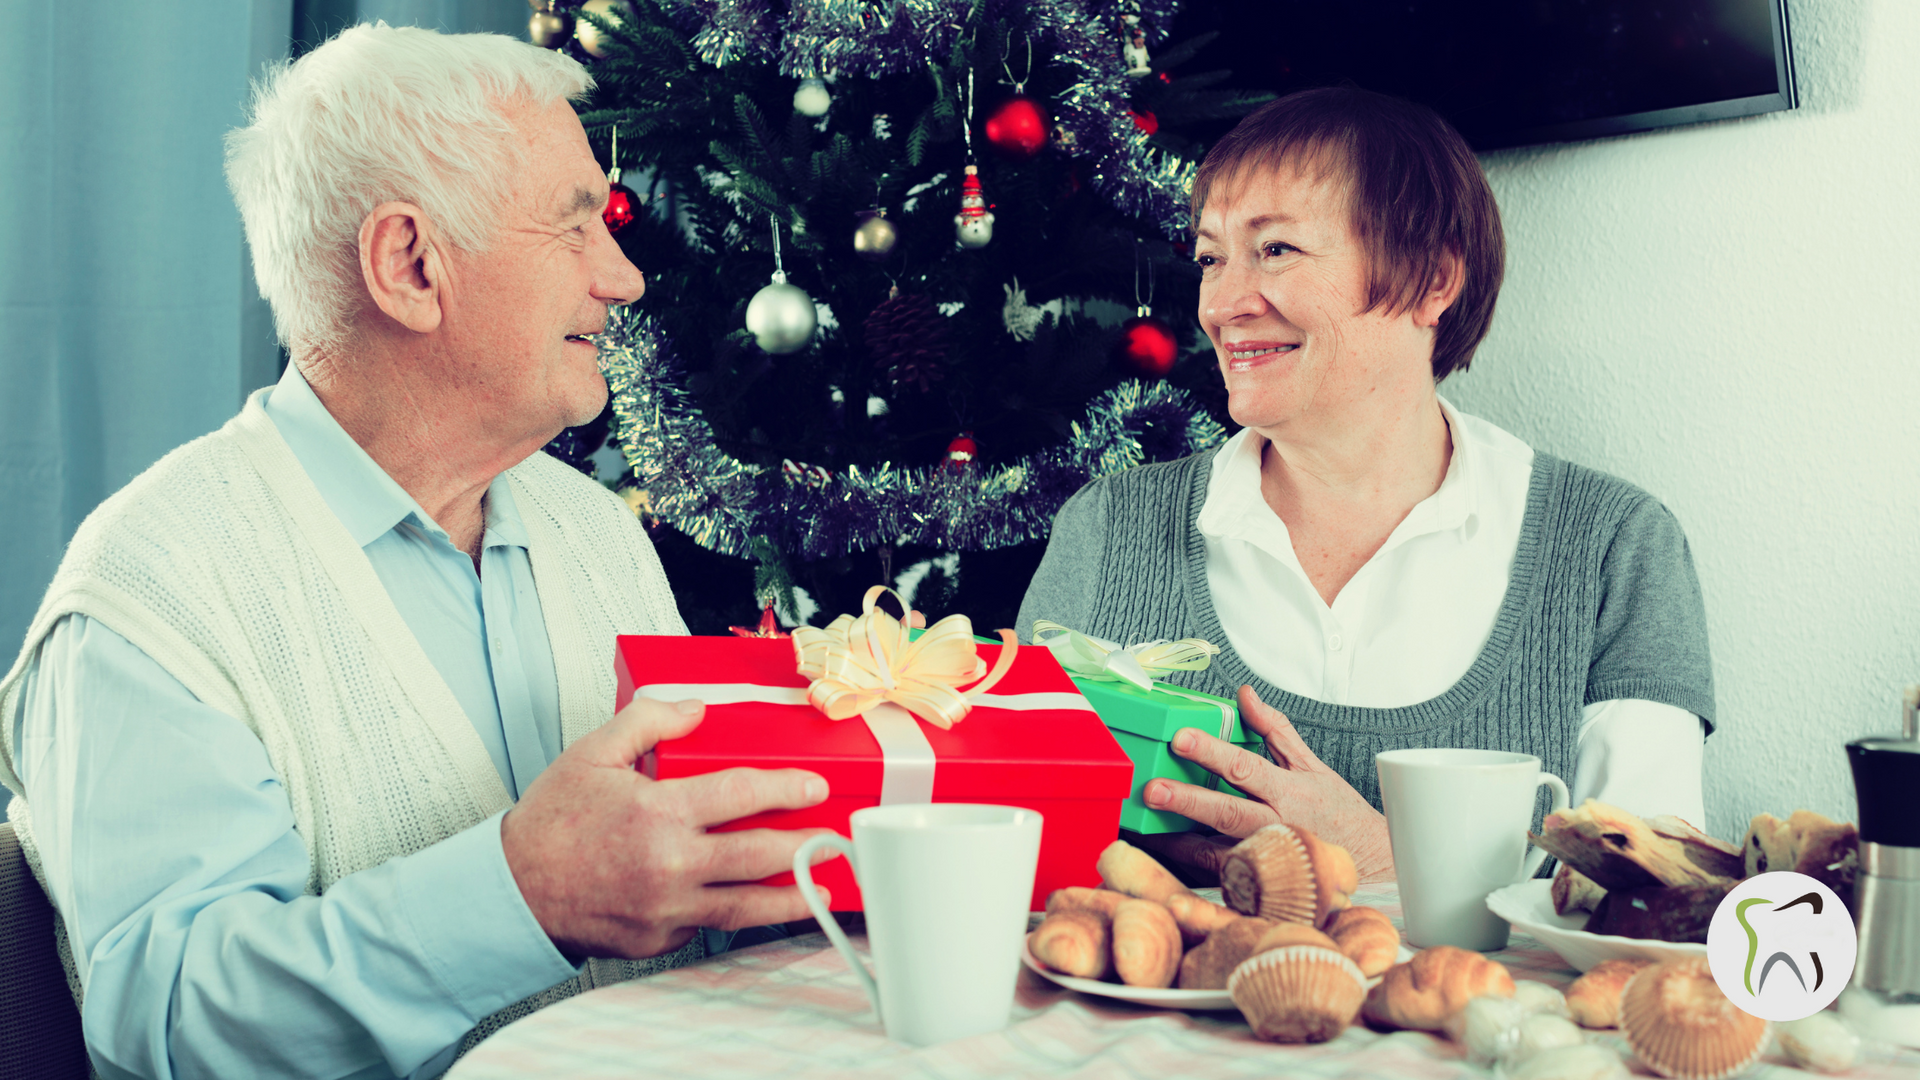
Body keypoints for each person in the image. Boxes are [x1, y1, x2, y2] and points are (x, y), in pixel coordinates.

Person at [0, 25, 837, 1080]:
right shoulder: (156, 588)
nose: (622, 277)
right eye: (575, 229)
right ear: (410, 266)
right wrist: (524, 896)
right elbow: (171, 1026)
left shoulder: (591, 532)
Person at [1017, 87, 1714, 883]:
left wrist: (1381, 861)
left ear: (1429, 280)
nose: (1221, 304)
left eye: (1274, 249)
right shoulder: (1106, 528)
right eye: (1210, 257)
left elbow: (1657, 914)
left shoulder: (1613, 549)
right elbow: (1012, 856)